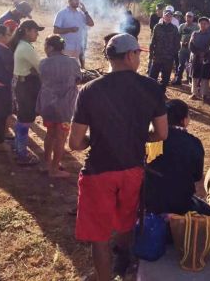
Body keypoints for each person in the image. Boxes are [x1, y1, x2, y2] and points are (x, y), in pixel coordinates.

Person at [69, 33, 168, 280]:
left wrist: (96, 138)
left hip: (99, 171)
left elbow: (75, 142)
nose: (139, 59)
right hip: (133, 168)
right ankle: (124, 266)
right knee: (126, 223)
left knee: (99, 237)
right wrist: (136, 135)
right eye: (138, 54)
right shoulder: (152, 87)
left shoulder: (90, 90)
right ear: (129, 55)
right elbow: (161, 133)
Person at [145, 99, 210, 215]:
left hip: (150, 200)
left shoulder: (152, 138)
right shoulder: (193, 143)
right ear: (183, 120)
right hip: (180, 203)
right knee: (207, 210)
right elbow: (197, 175)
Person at [37, 35, 82, 178]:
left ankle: (46, 163)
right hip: (65, 107)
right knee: (61, 136)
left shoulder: (43, 63)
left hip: (48, 105)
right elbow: (78, 79)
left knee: (50, 133)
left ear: (50, 47)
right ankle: (54, 169)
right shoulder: (73, 62)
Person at [11, 20, 44, 166]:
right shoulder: (25, 47)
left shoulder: (23, 45)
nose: (37, 34)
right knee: (25, 119)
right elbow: (40, 67)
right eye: (35, 31)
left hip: (23, 83)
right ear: (26, 31)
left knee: (23, 118)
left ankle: (19, 148)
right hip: (27, 85)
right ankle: (21, 153)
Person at [53, 0, 95, 69]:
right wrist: (70, 29)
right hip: (66, 48)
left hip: (78, 48)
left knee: (75, 71)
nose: (77, 1)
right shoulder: (62, 13)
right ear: (69, 1)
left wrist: (85, 12)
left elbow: (91, 24)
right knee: (65, 69)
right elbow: (55, 30)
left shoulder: (81, 14)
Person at [148, 10, 180, 94]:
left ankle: (161, 93)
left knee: (165, 78)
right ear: (163, 17)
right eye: (167, 16)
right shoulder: (157, 27)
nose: (168, 17)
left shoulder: (174, 28)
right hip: (157, 56)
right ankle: (151, 93)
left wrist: (173, 54)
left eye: (170, 16)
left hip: (168, 57)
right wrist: (151, 55)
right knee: (152, 76)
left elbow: (177, 43)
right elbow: (152, 41)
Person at [189, 17, 210, 101]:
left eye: (205, 23)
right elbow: (191, 45)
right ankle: (194, 93)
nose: (203, 25)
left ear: (208, 25)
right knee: (194, 75)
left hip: (207, 58)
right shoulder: (195, 34)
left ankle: (204, 94)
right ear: (199, 24)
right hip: (196, 57)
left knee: (205, 77)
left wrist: (204, 53)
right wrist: (198, 53)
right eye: (201, 23)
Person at [172, 12, 198, 86]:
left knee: (191, 64)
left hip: (191, 49)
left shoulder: (196, 27)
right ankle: (178, 79)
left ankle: (190, 79)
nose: (188, 18)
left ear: (193, 18)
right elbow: (177, 37)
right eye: (187, 16)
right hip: (182, 48)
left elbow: (198, 36)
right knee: (181, 64)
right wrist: (181, 43)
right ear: (185, 17)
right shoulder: (181, 26)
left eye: (190, 17)